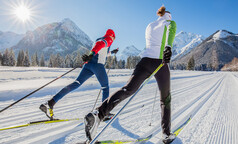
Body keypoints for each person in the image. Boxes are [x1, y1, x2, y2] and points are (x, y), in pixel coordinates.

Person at [84, 6, 177, 144]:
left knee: (127, 89)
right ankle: (166, 134)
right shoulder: (170, 23)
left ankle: (99, 113)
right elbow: (171, 32)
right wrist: (168, 47)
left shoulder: (150, 25)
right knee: (165, 98)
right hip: (160, 63)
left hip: (144, 62)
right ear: (168, 16)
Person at [39, 29, 118, 120]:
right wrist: (92, 54)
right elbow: (100, 44)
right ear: (112, 35)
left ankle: (51, 102)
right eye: (114, 38)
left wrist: (112, 52)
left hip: (88, 65)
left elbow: (102, 51)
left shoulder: (98, 39)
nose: (113, 40)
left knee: (76, 83)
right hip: (97, 65)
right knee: (105, 87)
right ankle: (104, 113)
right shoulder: (108, 38)